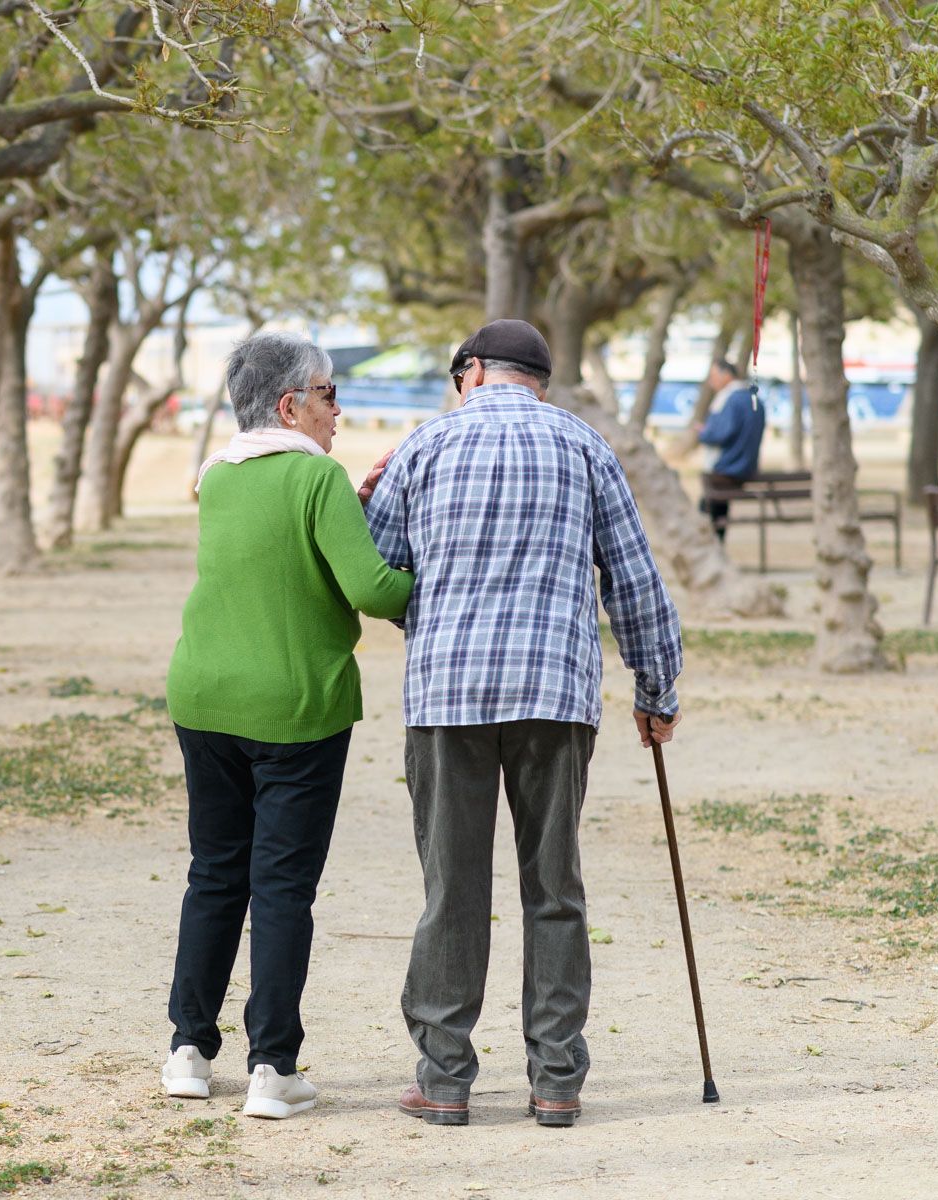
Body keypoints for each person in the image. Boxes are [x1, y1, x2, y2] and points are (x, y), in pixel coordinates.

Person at [364, 319, 683, 1129]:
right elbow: (636, 581)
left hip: (446, 696)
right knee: (555, 888)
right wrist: (656, 689)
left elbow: (378, 572)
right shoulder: (584, 448)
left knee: (452, 891)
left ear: (471, 371)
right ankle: (556, 1081)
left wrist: (379, 508)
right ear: (539, 378)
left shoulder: (423, 448)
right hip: (557, 695)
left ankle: (443, 1080)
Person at [162, 331, 410, 1120]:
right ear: (290, 404)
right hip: (295, 709)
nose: (340, 408)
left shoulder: (220, 474)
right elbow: (374, 589)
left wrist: (349, 510)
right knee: (280, 887)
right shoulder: (318, 476)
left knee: (214, 873)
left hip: (203, 696)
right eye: (330, 393)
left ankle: (189, 1052)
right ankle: (273, 1066)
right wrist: (453, 574)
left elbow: (279, 552)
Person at [697, 359, 766, 541]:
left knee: (706, 505)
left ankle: (712, 542)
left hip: (727, 468)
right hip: (747, 468)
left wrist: (703, 433)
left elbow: (720, 434)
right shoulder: (755, 398)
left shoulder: (729, 399)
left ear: (726, 375)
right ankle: (717, 540)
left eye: (713, 376)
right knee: (717, 504)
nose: (711, 382)